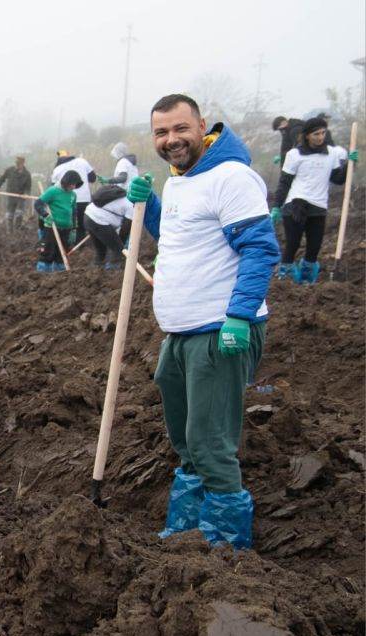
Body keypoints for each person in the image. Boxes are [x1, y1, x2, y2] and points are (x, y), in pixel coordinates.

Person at [128, 94, 280, 550]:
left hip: (220, 329)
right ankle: (187, 529)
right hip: (181, 331)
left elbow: (260, 248)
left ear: (202, 127)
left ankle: (226, 546)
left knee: (209, 439)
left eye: (180, 129)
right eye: (161, 132)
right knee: (184, 435)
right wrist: (150, 206)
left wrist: (238, 315)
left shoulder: (231, 177)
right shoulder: (180, 180)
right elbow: (179, 238)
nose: (171, 140)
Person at [270, 117, 357, 283]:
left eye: (323, 133)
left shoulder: (331, 154)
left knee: (314, 248)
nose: (320, 137)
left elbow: (337, 179)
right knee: (293, 244)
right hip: (295, 204)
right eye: (316, 134)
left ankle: (306, 282)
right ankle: (285, 280)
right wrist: (276, 206)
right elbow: (285, 182)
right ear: (307, 135)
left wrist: (348, 165)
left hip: (318, 206)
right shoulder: (294, 155)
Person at [34, 171, 82, 272]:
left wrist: (73, 229)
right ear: (66, 182)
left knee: (62, 253)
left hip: (66, 229)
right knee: (48, 252)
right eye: (72, 184)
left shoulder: (73, 195)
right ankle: (43, 272)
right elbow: (38, 204)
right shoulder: (53, 191)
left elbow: (73, 212)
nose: (73, 186)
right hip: (52, 227)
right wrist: (45, 215)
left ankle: (60, 274)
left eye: (75, 184)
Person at [51, 150, 96, 244]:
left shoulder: (57, 169)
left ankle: (66, 243)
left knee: (66, 222)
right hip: (83, 198)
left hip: (66, 199)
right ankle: (80, 245)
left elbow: (53, 187)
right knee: (80, 223)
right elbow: (93, 178)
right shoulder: (82, 161)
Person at [84, 185, 133, 269]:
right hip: (100, 222)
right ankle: (111, 271)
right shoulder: (131, 205)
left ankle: (96, 269)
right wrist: (120, 244)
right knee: (118, 250)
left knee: (101, 249)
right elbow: (126, 228)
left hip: (88, 216)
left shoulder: (119, 196)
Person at [0, 155, 33, 231]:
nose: (17, 165)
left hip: (21, 197)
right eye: (16, 164)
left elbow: (28, 187)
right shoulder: (9, 170)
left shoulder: (27, 174)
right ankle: (9, 232)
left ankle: (18, 229)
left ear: (23, 163)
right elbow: (1, 179)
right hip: (10, 196)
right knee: (9, 214)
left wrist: (26, 194)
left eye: (19, 164)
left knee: (19, 213)